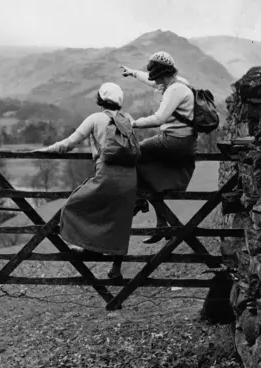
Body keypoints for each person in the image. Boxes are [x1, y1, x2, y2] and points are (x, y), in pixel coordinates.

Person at [33, 82, 138, 280]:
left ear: (100, 99)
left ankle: (85, 246)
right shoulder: (128, 119)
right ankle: (115, 268)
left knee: (74, 206)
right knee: (120, 221)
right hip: (130, 179)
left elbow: (69, 143)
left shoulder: (95, 118)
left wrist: (44, 151)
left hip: (107, 176)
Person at [121, 51, 197, 243]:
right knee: (146, 169)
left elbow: (159, 118)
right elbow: (151, 80)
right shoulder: (178, 82)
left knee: (133, 153)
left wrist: (134, 123)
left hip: (174, 141)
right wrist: (132, 73)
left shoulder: (174, 90)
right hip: (181, 140)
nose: (155, 81)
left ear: (162, 73)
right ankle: (161, 221)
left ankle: (139, 200)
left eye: (156, 75)